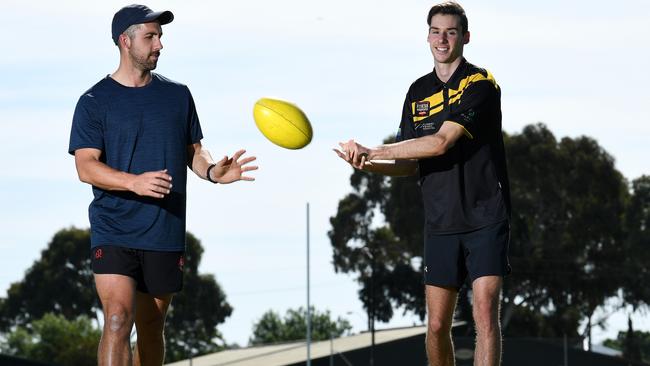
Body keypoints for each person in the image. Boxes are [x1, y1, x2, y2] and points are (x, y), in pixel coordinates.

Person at [68, 5, 257, 365]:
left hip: (163, 231)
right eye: (150, 37)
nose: (159, 45)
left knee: (151, 325)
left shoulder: (178, 96)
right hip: (114, 227)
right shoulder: (93, 102)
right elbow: (86, 167)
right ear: (125, 41)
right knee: (117, 319)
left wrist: (214, 171)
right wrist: (134, 183)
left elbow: (196, 152)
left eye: (160, 37)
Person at [335, 2, 510, 365]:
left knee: (483, 316)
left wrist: (373, 147)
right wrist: (367, 163)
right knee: (435, 327)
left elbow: (441, 142)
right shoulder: (417, 92)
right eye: (436, 31)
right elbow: (408, 164)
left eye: (450, 32)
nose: (442, 39)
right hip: (440, 221)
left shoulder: (480, 84)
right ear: (427, 36)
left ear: (466, 37)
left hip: (485, 216)